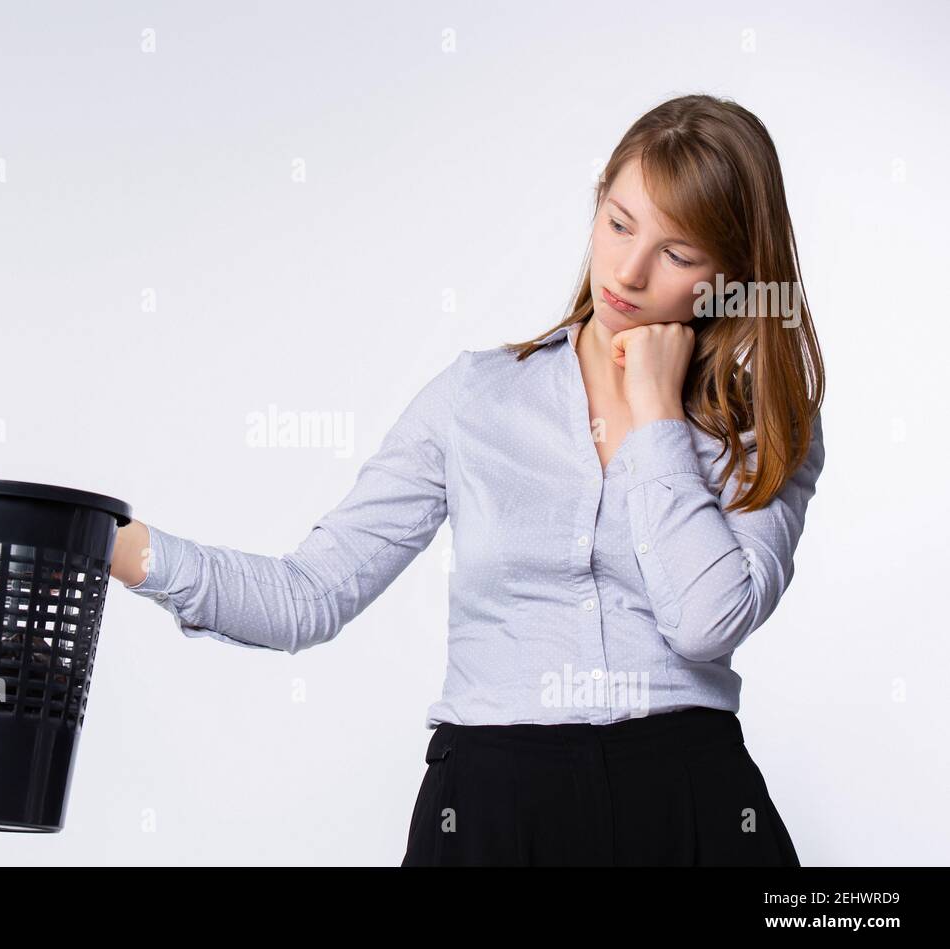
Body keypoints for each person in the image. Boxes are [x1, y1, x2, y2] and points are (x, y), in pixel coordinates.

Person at [109, 93, 825, 866]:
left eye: (678, 254)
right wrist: (106, 544)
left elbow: (706, 624)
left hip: (692, 807)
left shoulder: (766, 425)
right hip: (493, 812)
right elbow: (307, 597)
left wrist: (654, 416)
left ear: (734, 274)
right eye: (618, 223)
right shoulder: (475, 399)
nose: (628, 270)